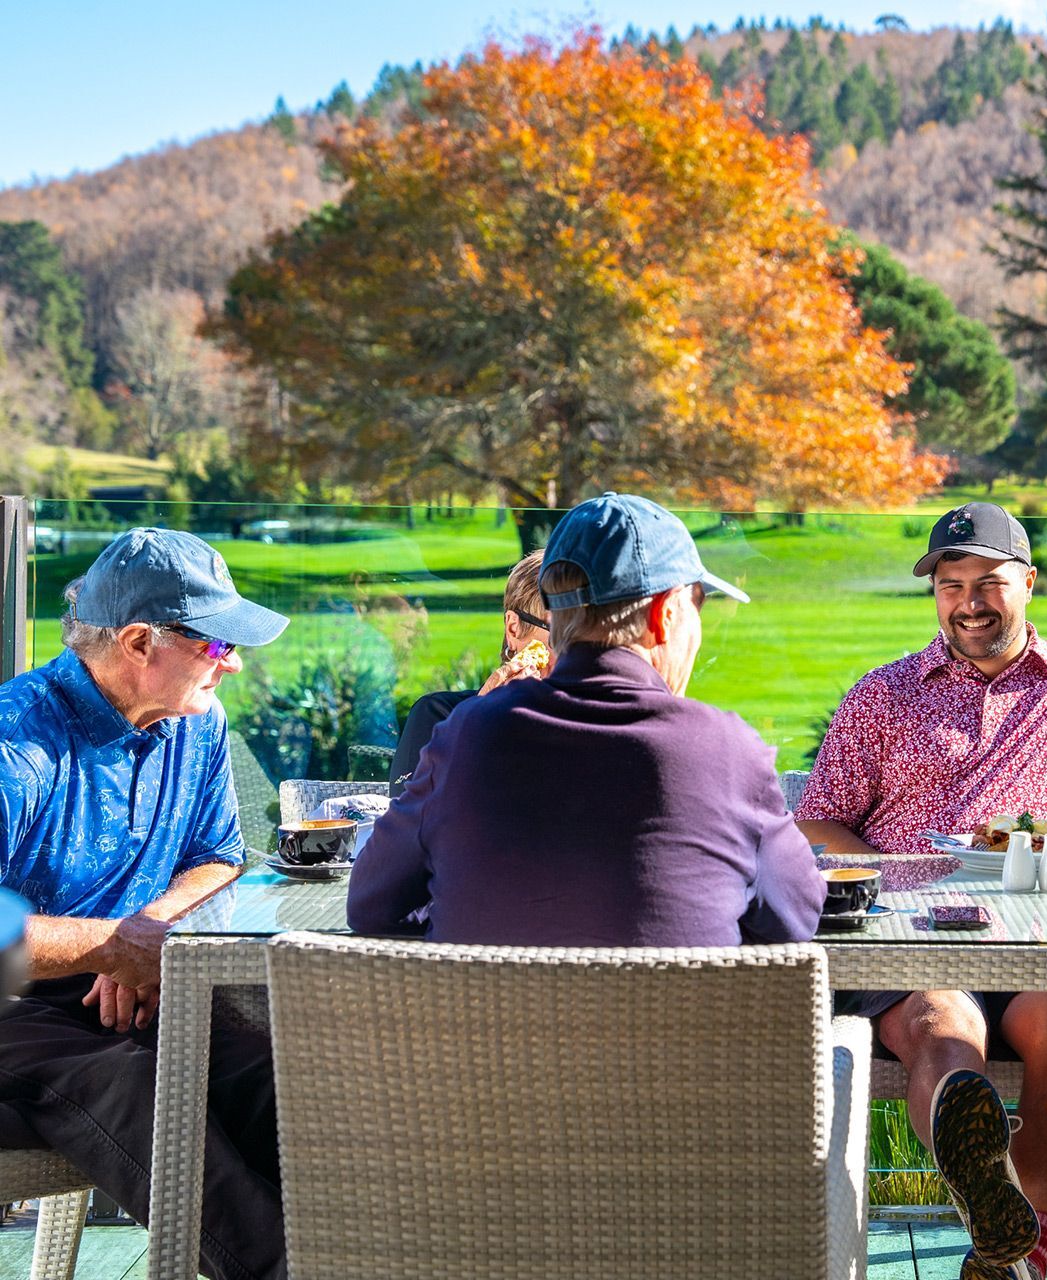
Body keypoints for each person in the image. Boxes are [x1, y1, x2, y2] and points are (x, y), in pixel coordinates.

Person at [796, 501, 1047, 1280]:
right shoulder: (883, 694)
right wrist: (901, 886)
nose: (969, 602)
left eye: (987, 582)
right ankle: (1006, 1226)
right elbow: (818, 823)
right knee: (943, 1028)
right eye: (950, 585)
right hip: (918, 943)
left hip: (1040, 937)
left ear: (1028, 582)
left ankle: (1019, 1246)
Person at [0, 527, 291, 1280]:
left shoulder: (195, 727)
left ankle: (374, 1251)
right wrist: (111, 947)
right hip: (14, 1004)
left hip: (133, 978)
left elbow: (218, 857)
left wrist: (146, 934)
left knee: (280, 1064)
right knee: (142, 1091)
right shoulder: (15, 743)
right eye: (219, 646)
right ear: (137, 642)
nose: (231, 666)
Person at [349, 493, 825, 947]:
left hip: (496, 1029)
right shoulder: (727, 751)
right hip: (668, 1031)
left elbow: (371, 904)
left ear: (556, 619)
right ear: (665, 614)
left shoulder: (467, 735)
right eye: (697, 606)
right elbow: (798, 916)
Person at [389, 548, 550, 785]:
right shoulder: (436, 717)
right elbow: (412, 817)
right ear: (514, 629)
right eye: (562, 636)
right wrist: (477, 727)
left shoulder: (602, 727)